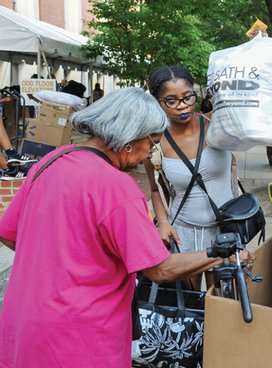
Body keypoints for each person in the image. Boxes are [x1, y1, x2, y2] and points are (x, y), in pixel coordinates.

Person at [0, 88, 250, 367]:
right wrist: (220, 254)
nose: (151, 152)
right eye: (152, 142)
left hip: (22, 324)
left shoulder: (50, 161)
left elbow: (10, 235)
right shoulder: (116, 186)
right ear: (130, 139)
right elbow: (159, 268)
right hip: (81, 338)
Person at [144, 66, 236, 288]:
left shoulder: (218, 124)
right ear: (158, 102)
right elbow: (155, 189)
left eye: (187, 97)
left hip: (224, 231)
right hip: (183, 235)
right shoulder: (154, 142)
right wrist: (163, 223)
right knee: (189, 308)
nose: (182, 105)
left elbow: (249, 99)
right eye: (171, 101)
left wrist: (257, 46)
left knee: (224, 304)